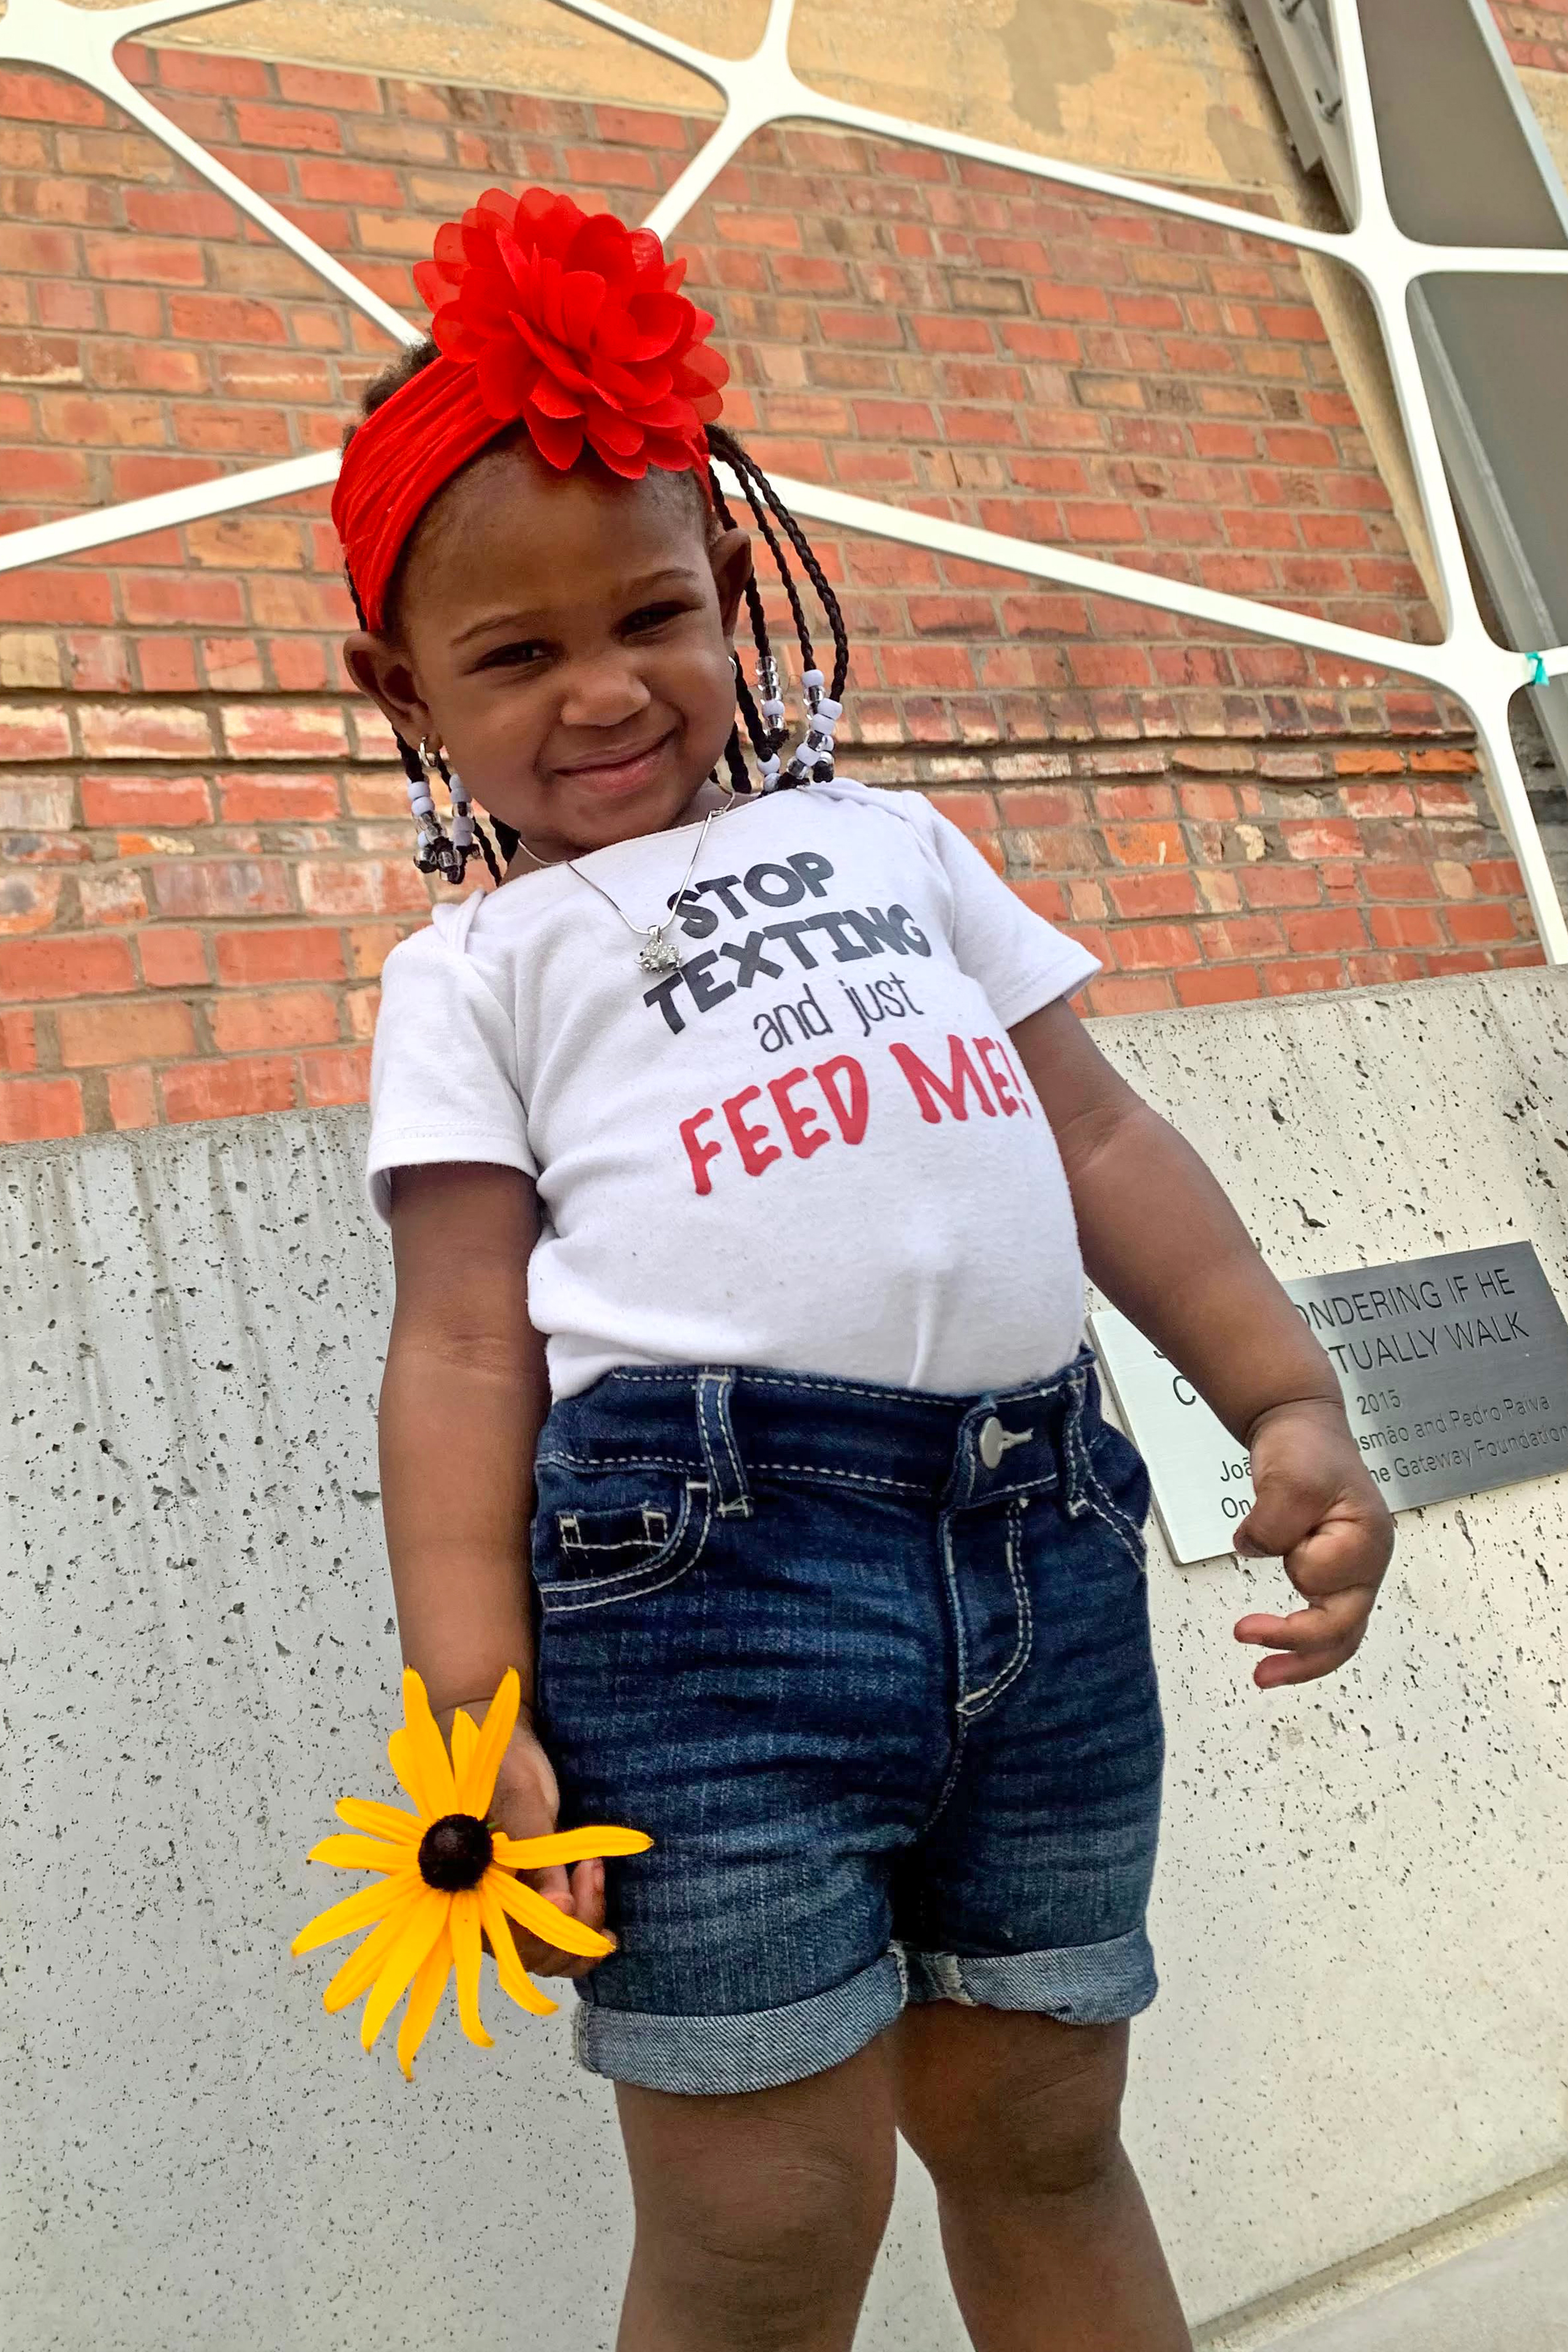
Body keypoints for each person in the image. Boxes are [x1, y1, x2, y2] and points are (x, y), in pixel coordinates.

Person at [339, 185, 1393, 2352]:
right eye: (515, 657)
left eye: (650, 617)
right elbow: (457, 1346)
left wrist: (1284, 1399)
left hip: (1045, 1545)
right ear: (401, 689)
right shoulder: (477, 969)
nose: (605, 691)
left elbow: (1098, 1134)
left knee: (1042, 2132)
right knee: (761, 2219)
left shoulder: (896, 845)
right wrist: (471, 1693)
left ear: (734, 597)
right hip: (699, 1606)